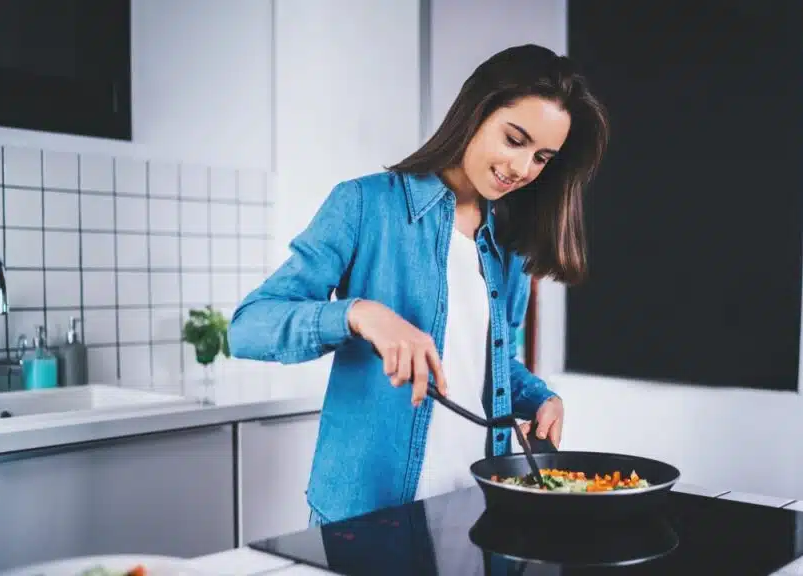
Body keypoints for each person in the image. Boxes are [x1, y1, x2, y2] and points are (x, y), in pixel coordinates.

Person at [228, 43, 609, 527]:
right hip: (367, 516)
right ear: (476, 112)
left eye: (541, 157)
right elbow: (247, 327)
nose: (522, 169)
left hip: (474, 506)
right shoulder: (365, 205)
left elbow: (489, 360)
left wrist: (540, 398)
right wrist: (360, 313)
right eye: (514, 139)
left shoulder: (508, 242)